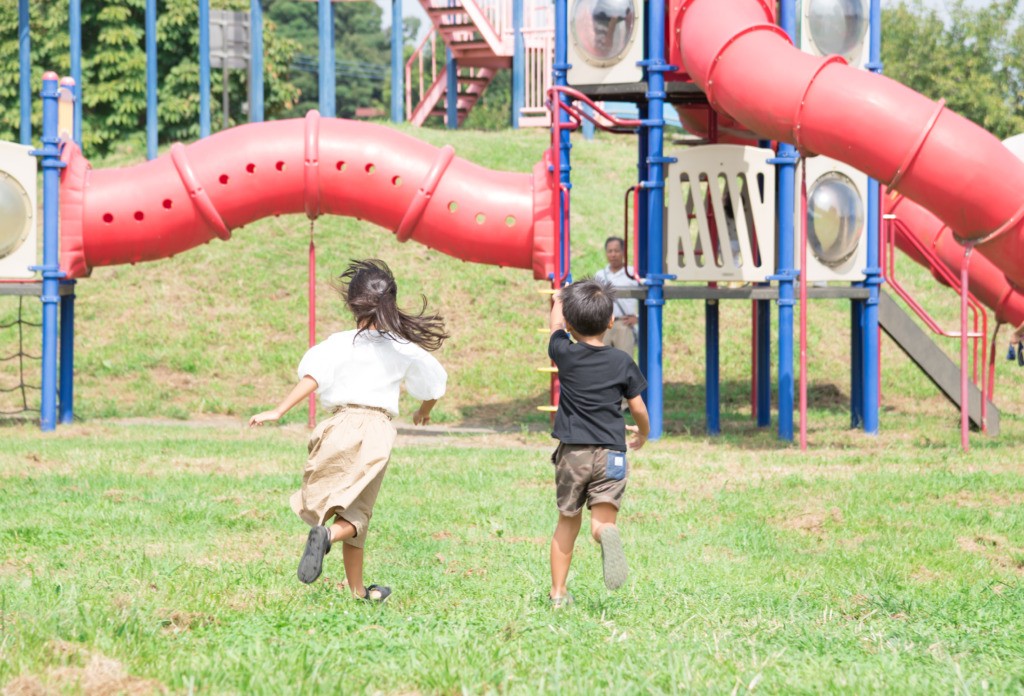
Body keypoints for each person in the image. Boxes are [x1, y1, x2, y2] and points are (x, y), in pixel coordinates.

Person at [249, 259, 448, 603]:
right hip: (374, 429)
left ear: (352, 302)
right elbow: (432, 386)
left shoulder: (338, 343)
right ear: (391, 302)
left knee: (348, 509)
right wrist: (423, 411)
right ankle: (326, 535)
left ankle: (358, 591)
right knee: (357, 516)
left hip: (336, 426)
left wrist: (278, 410)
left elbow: (312, 378)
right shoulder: (402, 346)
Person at [546, 278, 651, 606]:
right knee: (602, 521)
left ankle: (559, 593)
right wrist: (643, 432)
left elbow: (554, 325)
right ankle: (605, 534)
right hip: (612, 454)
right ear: (610, 322)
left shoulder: (565, 353)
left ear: (571, 324)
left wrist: (559, 298)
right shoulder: (622, 362)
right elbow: (638, 408)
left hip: (573, 453)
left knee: (567, 520)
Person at [595, 237, 640, 355]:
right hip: (603, 326)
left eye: (616, 251)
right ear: (606, 253)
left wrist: (638, 318)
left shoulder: (633, 274)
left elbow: (646, 296)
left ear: (623, 252)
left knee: (624, 365)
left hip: (624, 324)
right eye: (610, 251)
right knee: (602, 364)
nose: (613, 254)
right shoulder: (599, 275)